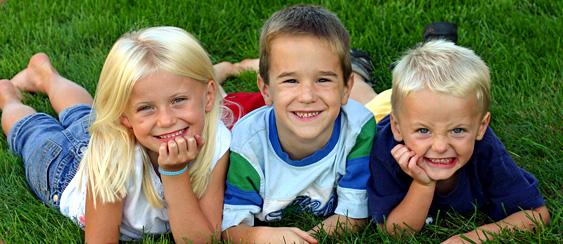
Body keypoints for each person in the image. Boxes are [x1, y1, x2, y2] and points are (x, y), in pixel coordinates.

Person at [0, 26, 233, 243]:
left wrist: (175, 173)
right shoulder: (113, 155)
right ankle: (8, 97)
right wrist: (174, 171)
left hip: (107, 137)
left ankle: (46, 75)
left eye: (178, 100)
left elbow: (202, 239)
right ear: (123, 115)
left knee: (82, 113)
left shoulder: (216, 139)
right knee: (31, 128)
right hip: (64, 173)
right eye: (146, 107)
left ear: (209, 95)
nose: (166, 120)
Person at [367, 39, 550, 243]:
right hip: (378, 113)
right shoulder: (384, 151)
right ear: (397, 128)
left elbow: (536, 214)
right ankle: (357, 72)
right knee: (366, 97)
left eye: (457, 130)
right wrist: (423, 184)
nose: (440, 147)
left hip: (418, 108)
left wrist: (471, 239)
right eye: (424, 131)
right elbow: (396, 234)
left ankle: (438, 41)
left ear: (481, 127)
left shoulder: (486, 148)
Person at [221, 4, 376, 244]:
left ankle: (357, 67)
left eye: (323, 79)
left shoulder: (358, 129)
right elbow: (231, 226)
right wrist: (258, 235)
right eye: (291, 80)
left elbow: (355, 214)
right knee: (217, 102)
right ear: (266, 90)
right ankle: (226, 69)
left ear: (346, 88)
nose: (307, 95)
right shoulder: (246, 143)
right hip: (244, 107)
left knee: (373, 102)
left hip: (313, 107)